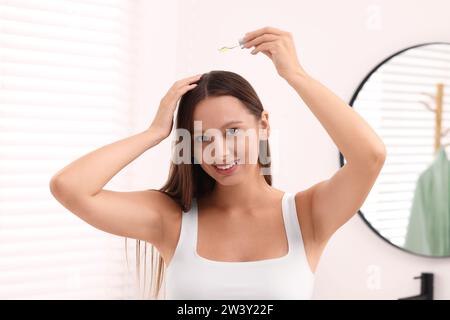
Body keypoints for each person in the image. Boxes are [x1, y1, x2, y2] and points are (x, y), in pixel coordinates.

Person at [49, 26, 386, 300]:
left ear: (263, 125)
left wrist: (294, 74)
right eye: (203, 138)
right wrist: (154, 133)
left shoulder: (306, 215)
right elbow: (70, 188)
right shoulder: (171, 218)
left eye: (233, 131)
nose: (220, 153)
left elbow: (369, 156)